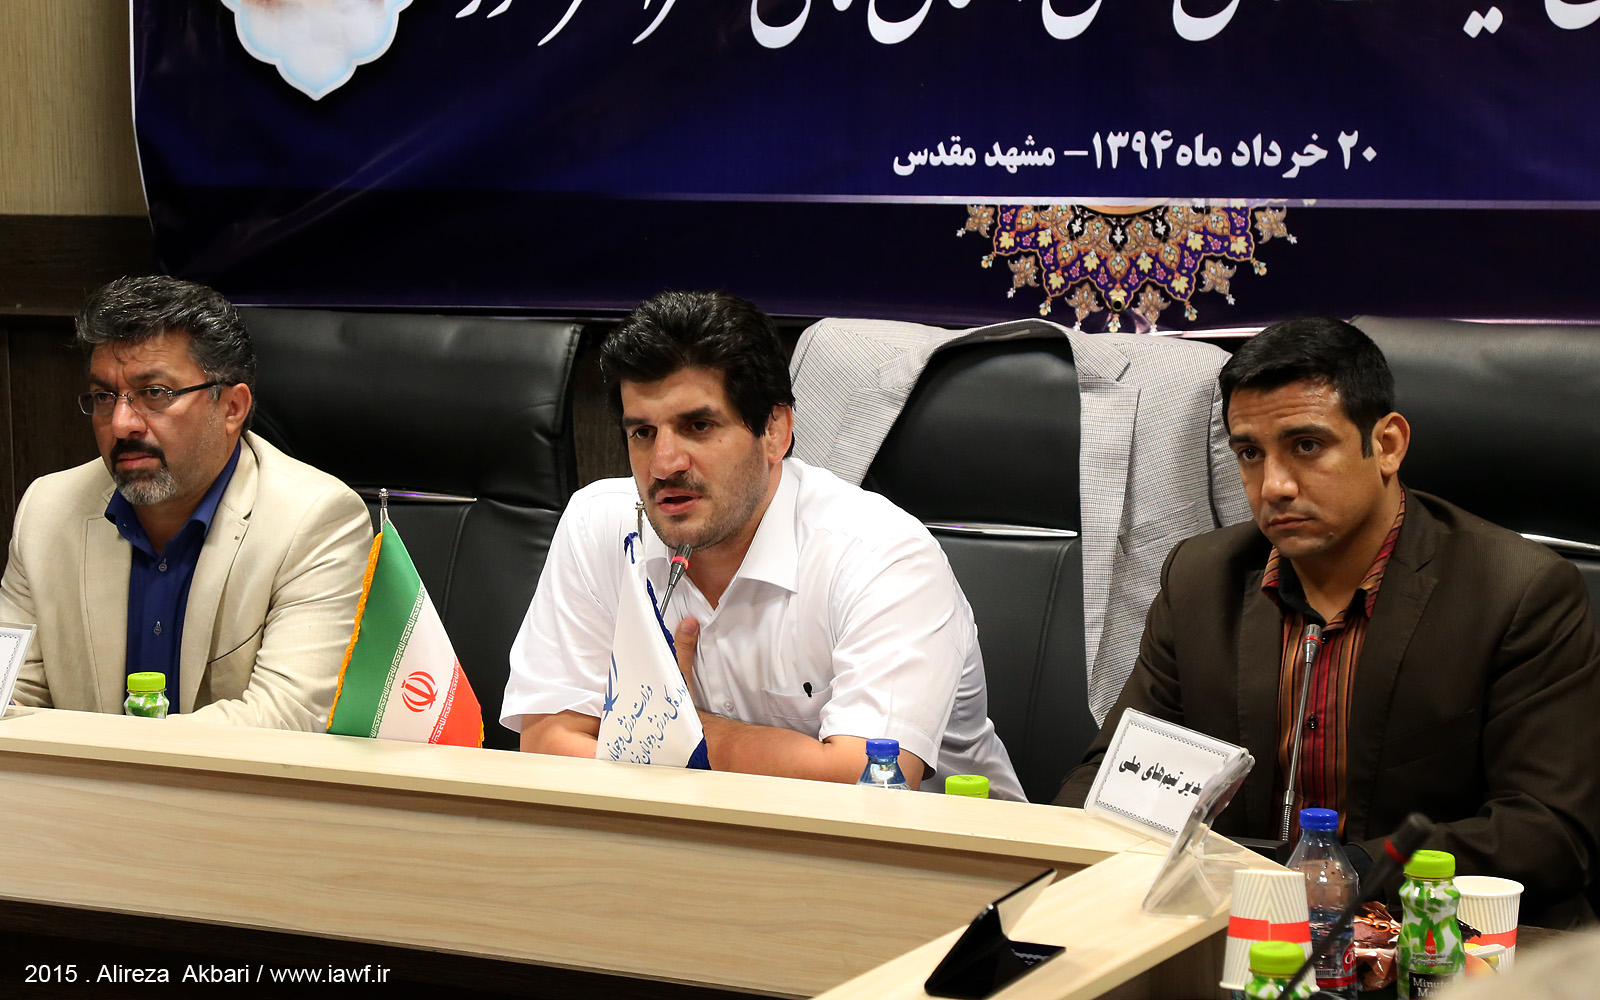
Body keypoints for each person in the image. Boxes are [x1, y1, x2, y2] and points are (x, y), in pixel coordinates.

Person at [1056, 317, 1600, 924]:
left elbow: (1550, 829)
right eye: (1250, 454)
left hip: (1435, 938)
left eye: (1307, 446)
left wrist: (1344, 873)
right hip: (1231, 929)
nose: (1274, 486)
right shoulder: (1199, 579)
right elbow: (1105, 782)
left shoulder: (1517, 590)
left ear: (1387, 445)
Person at [502, 290, 1024, 799]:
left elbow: (869, 782)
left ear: (775, 431)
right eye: (642, 432)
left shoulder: (884, 555)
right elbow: (548, 743)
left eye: (698, 425)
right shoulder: (601, 524)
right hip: (694, 842)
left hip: (940, 848)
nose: (663, 465)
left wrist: (669, 727)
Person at [0, 275, 372, 730]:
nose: (121, 424)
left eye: (154, 393)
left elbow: (285, 717)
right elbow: (10, 698)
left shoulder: (315, 520)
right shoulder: (49, 509)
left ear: (232, 408)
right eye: (104, 397)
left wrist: (116, 756)